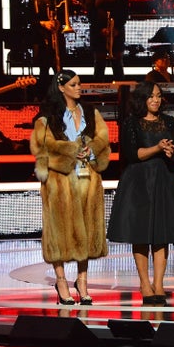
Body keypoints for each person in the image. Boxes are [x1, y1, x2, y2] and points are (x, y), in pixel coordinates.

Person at [107, 81, 174, 304]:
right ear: (142, 99)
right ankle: (145, 283)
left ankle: (159, 283)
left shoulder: (168, 122)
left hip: (163, 180)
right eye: (151, 96)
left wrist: (170, 151)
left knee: (161, 234)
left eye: (158, 96)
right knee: (141, 234)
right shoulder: (131, 123)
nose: (156, 100)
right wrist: (157, 148)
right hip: (138, 182)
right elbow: (132, 154)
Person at [30, 70, 110, 305]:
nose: (79, 88)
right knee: (59, 232)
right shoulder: (47, 117)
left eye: (79, 83)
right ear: (61, 87)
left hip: (87, 179)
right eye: (74, 84)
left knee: (85, 230)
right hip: (59, 182)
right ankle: (61, 280)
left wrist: (91, 149)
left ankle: (82, 282)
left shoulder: (91, 113)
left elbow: (103, 139)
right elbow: (41, 148)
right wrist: (69, 152)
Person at [86, 0, 128, 82]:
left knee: (117, 64)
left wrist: (116, 29)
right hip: (98, 32)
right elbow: (90, 14)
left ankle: (122, 95)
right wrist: (101, 29)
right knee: (99, 64)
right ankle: (97, 95)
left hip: (117, 32)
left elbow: (124, 12)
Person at [27, 0, 65, 100]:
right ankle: (43, 99)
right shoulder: (33, 1)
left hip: (57, 42)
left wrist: (58, 23)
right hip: (41, 42)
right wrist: (44, 23)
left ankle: (60, 99)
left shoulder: (59, 1)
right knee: (43, 72)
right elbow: (29, 20)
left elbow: (65, 20)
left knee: (59, 72)